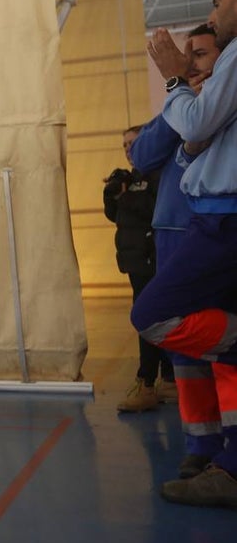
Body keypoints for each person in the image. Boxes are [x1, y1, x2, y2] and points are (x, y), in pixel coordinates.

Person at [135, 0, 237, 507]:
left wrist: (186, 97)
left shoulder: (215, 98)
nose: (193, 61)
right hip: (176, 235)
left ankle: (225, 449)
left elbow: (202, 130)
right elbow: (144, 156)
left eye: (202, 52)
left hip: (213, 227)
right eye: (189, 53)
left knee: (218, 355)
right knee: (189, 358)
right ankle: (202, 448)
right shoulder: (183, 108)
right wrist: (179, 104)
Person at [103, 126, 173, 412]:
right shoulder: (132, 179)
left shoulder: (159, 175)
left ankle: (146, 383)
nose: (128, 149)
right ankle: (168, 380)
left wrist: (126, 197)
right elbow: (117, 216)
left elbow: (156, 211)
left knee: (148, 321)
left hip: (153, 260)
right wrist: (112, 196)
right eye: (124, 146)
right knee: (157, 320)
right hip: (135, 264)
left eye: (133, 143)